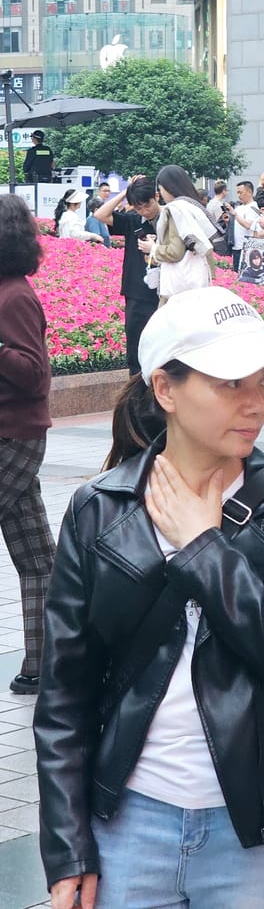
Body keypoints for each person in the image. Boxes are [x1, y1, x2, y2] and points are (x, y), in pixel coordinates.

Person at [34, 285, 264, 909]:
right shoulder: (99, 509)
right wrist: (68, 848)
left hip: (263, 830)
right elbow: (65, 691)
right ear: (165, 390)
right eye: (230, 383)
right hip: (131, 826)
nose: (256, 403)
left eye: (263, 381)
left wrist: (203, 545)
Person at [0, 195, 56, 694]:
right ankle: (45, 663)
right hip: (14, 435)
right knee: (39, 559)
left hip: (13, 436)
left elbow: (35, 376)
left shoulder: (15, 295)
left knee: (37, 557)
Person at [94, 176, 161, 376]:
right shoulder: (132, 220)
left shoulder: (168, 221)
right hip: (136, 293)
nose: (144, 211)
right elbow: (100, 215)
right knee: (135, 347)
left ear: (156, 196)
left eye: (147, 205)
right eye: (138, 207)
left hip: (164, 294)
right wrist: (125, 192)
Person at [137, 165, 217, 302]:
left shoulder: (176, 210)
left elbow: (175, 252)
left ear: (168, 187)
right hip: (197, 281)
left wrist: (153, 248)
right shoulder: (193, 206)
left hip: (178, 288)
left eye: (161, 189)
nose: (161, 194)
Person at [230, 181, 262, 273]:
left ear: (249, 192)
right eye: (237, 193)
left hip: (246, 248)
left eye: (241, 192)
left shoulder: (253, 207)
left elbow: (248, 225)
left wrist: (235, 214)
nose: (239, 195)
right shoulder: (239, 207)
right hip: (236, 246)